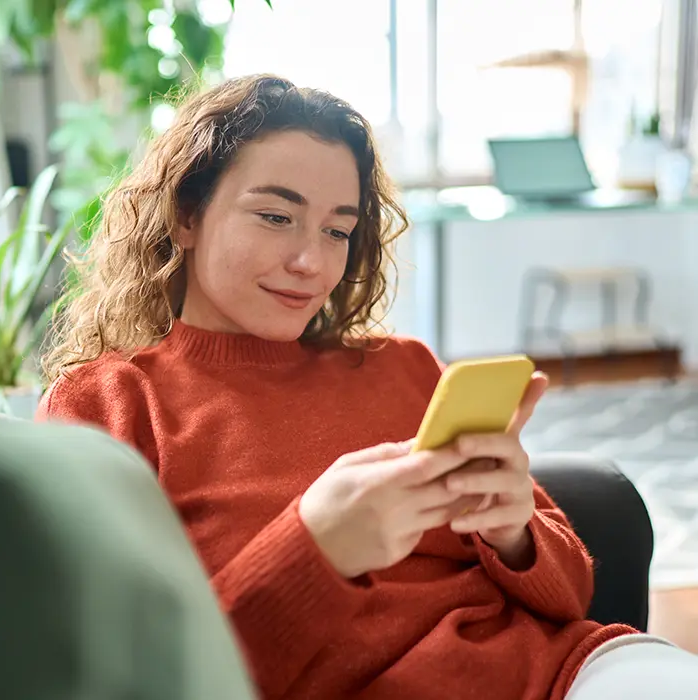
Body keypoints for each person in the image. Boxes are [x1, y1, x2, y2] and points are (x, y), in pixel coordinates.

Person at [36, 75, 698, 699]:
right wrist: (314, 550)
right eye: (275, 217)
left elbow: (573, 595)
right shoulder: (107, 408)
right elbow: (139, 680)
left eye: (338, 231)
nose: (311, 261)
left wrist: (515, 531)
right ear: (186, 214)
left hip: (569, 674)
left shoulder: (403, 366)